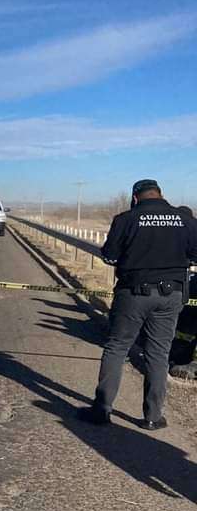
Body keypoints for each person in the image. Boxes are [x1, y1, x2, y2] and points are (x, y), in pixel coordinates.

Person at [82, 179, 197, 429]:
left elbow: (110, 255)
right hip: (171, 295)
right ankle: (153, 417)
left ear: (135, 198)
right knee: (158, 353)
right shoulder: (185, 220)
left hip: (133, 294)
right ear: (161, 194)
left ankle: (101, 411)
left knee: (117, 347)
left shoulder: (125, 219)